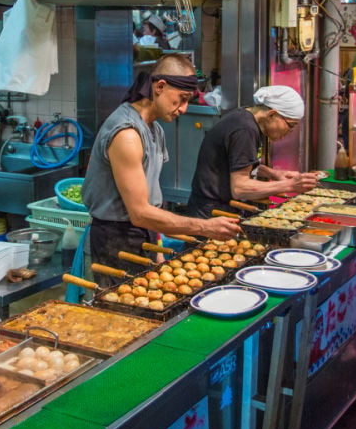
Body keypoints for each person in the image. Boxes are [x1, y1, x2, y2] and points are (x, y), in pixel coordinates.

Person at [82, 54, 240, 284]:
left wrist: (157, 246)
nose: (184, 109)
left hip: (143, 235)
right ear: (160, 87)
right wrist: (204, 227)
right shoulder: (127, 134)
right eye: (182, 99)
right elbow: (140, 213)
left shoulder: (154, 129)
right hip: (114, 243)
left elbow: (151, 199)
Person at [186, 85, 319, 218]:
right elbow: (240, 188)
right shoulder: (244, 130)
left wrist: (274, 174)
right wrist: (289, 185)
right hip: (211, 213)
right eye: (290, 125)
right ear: (272, 114)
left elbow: (240, 164)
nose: (289, 132)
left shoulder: (246, 118)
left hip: (218, 207)